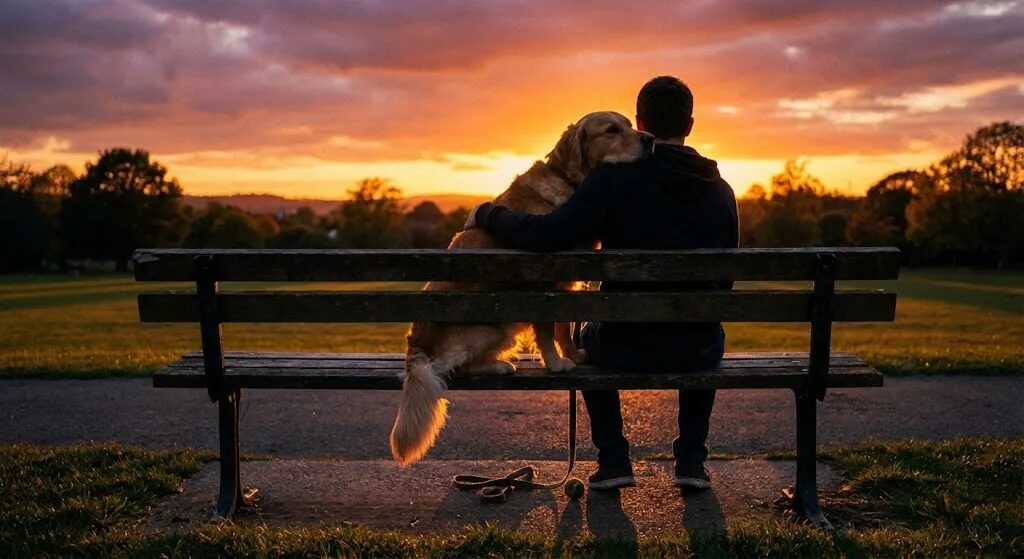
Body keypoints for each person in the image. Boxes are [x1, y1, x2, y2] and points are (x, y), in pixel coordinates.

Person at [464, 76, 739, 491]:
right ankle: (690, 462)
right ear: (691, 124)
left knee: (587, 336)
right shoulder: (722, 190)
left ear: (639, 122)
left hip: (624, 346)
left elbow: (545, 236)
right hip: (698, 348)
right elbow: (725, 282)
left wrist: (488, 214)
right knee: (703, 327)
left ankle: (613, 461)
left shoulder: (613, 180)